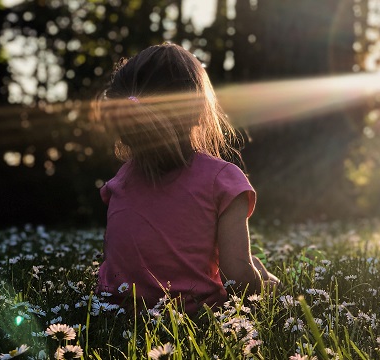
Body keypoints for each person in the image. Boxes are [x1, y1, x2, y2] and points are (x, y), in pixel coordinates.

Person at [96, 43, 279, 314]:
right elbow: (237, 277)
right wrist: (267, 286)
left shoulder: (120, 181)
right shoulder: (223, 180)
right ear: (196, 110)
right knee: (255, 268)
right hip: (194, 316)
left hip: (118, 313)